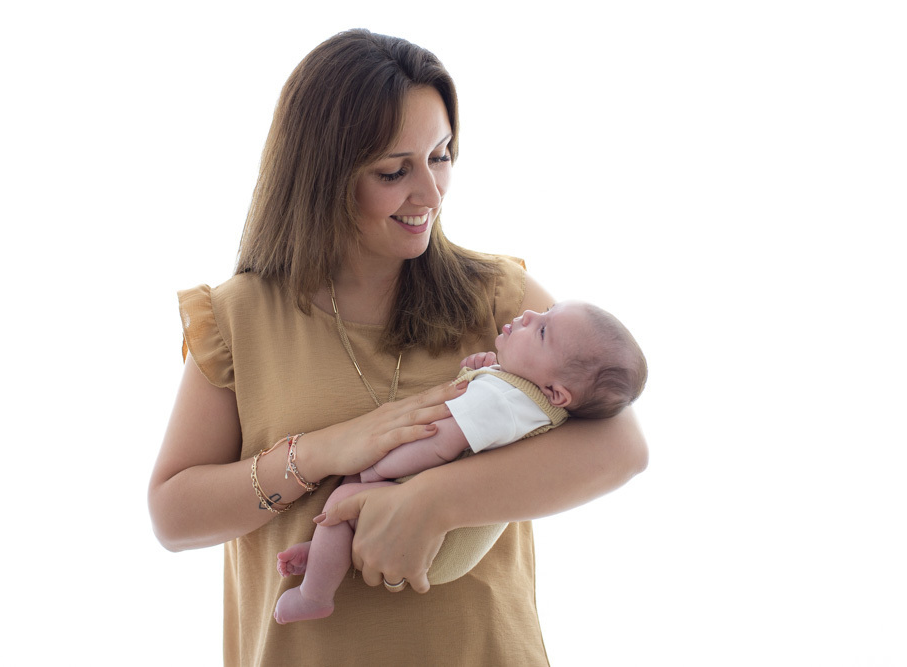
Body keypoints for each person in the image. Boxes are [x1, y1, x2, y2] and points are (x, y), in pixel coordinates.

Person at [148, 29, 648, 666]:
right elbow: (173, 515)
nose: (431, 195)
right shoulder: (238, 318)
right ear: (323, 177)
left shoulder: (501, 300)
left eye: (441, 157)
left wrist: (430, 504)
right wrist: (325, 450)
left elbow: (622, 447)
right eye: (394, 171)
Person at [274, 300, 648, 624]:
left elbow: (444, 443)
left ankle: (315, 595)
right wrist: (484, 369)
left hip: (438, 541)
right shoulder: (524, 394)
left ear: (556, 392)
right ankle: (325, 553)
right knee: (347, 500)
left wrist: (377, 466)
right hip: (447, 534)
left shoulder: (503, 399)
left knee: (343, 502)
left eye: (544, 331)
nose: (530, 314)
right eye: (546, 311)